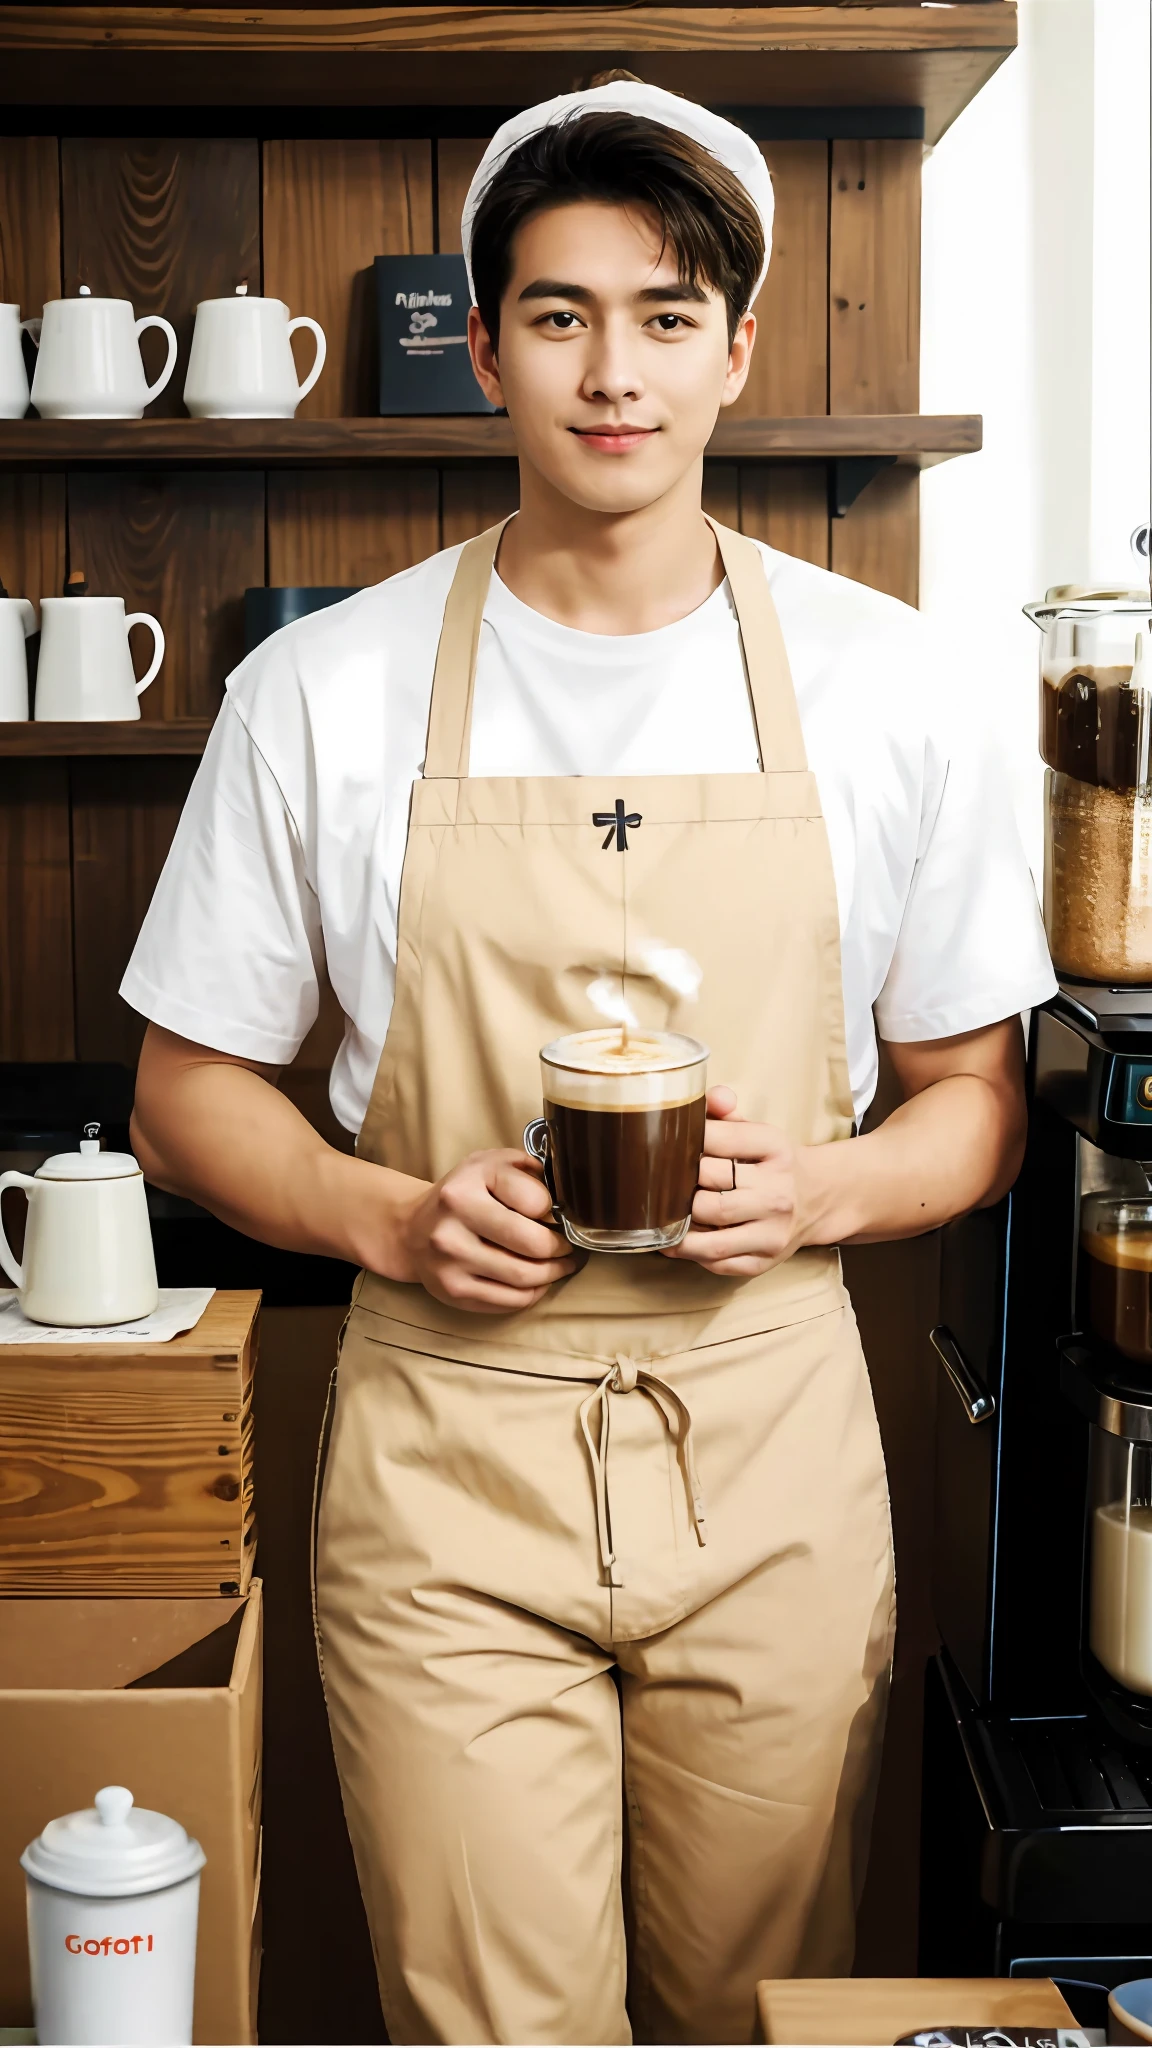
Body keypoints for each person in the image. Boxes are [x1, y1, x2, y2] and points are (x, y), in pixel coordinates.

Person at [124, 79, 1056, 2047]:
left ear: (737, 344)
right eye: (555, 316)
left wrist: (822, 1184)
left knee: (762, 2018)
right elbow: (184, 1093)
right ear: (484, 350)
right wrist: (392, 1211)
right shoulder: (323, 688)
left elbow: (974, 1093)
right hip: (445, 1461)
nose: (609, 369)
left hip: (776, 1448)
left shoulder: (894, 686)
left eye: (659, 313)